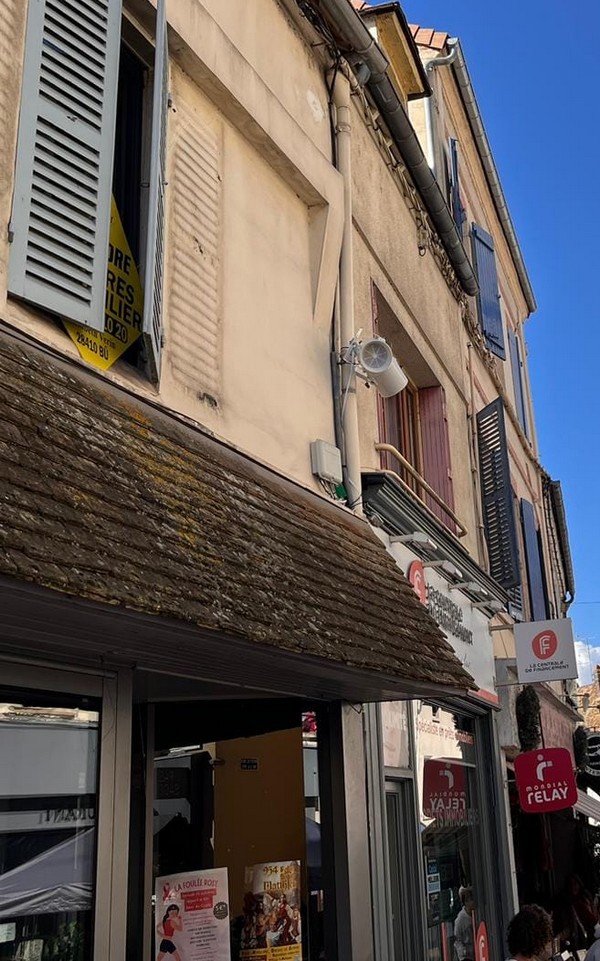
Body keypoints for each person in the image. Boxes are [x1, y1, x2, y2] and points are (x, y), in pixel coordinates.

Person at [454, 887, 475, 961]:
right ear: (466, 902)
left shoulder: (477, 911)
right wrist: (464, 953)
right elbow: (457, 941)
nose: (474, 902)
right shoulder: (460, 921)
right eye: (472, 900)